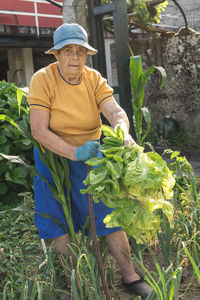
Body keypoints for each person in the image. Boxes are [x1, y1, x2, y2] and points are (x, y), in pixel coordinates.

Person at [27, 23, 152, 299]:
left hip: (90, 154)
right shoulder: (42, 80)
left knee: (108, 214)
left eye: (80, 51)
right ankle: (76, 279)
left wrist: (122, 134)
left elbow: (116, 112)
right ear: (56, 54)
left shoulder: (93, 78)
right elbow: (39, 130)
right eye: (68, 51)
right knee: (59, 218)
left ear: (87, 54)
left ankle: (130, 277)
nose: (75, 58)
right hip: (53, 156)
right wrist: (73, 153)